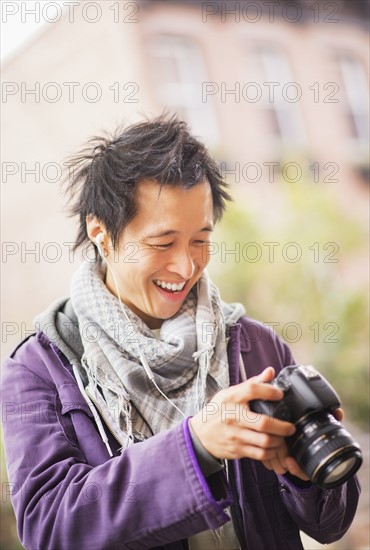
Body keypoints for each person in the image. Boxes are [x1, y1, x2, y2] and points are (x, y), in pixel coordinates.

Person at [1, 116, 360, 550]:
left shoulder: (255, 346)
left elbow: (331, 524)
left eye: (200, 240)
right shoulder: (38, 370)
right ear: (102, 234)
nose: (186, 267)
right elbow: (50, 528)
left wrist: (307, 478)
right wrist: (195, 447)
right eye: (162, 243)